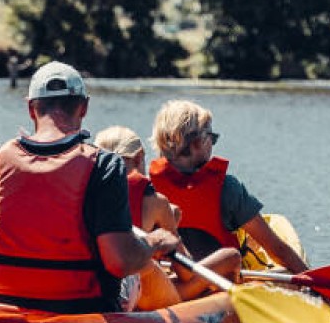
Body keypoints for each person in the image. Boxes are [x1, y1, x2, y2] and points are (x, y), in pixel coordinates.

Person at [0, 62, 180, 314]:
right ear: (84, 107)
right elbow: (120, 262)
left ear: (31, 108)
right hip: (81, 307)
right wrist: (155, 242)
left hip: (2, 301)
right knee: (142, 269)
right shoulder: (104, 165)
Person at [149, 100, 310, 274]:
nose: (213, 144)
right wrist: (315, 287)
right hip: (220, 285)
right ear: (197, 143)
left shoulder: (148, 189)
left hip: (170, 285)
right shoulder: (227, 189)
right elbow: (277, 249)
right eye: (212, 138)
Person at [94, 125, 239, 303]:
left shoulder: (87, 194)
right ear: (139, 157)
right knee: (231, 256)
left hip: (98, 287)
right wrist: (170, 224)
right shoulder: (155, 202)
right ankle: (222, 307)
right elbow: (186, 273)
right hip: (141, 296)